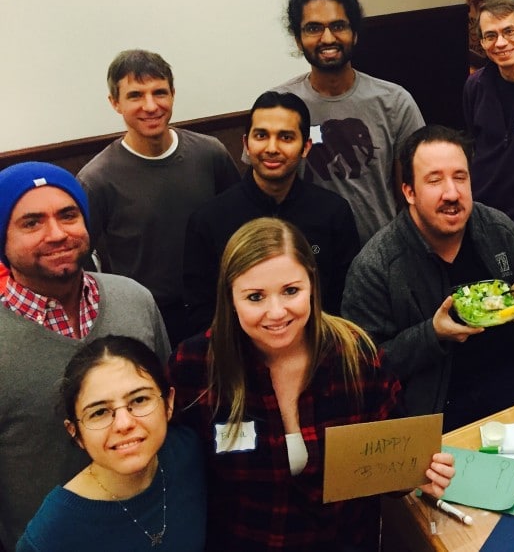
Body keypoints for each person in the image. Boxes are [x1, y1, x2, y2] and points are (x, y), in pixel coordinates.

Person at [169, 217, 454, 550]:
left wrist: (420, 473)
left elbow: (387, 467)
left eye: (291, 291)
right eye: (255, 297)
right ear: (230, 297)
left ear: (312, 286)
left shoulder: (357, 356)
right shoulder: (194, 367)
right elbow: (176, 481)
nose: (276, 312)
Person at [341, 125, 514, 432]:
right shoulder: (376, 266)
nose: (452, 193)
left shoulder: (497, 229)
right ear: (409, 192)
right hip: (433, 400)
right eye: (434, 180)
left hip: (513, 373)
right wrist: (433, 334)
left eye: (460, 177)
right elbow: (361, 365)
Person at [0, 162, 170, 551]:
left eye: (68, 215)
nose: (57, 234)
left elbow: (166, 413)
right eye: (32, 223)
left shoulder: (134, 300)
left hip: (154, 531)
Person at [78, 50, 240, 346]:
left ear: (173, 94)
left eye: (159, 92)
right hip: (147, 318)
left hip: (218, 307)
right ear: (115, 103)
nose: (151, 106)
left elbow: (239, 222)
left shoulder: (210, 153)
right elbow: (80, 256)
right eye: (136, 95)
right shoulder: (96, 179)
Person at [273, 0, 424, 244]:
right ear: (298, 40)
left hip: (382, 254)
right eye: (313, 28)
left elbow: (413, 194)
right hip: (306, 256)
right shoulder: (280, 107)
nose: (327, 38)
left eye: (338, 26)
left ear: (354, 33)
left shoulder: (395, 102)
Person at [183, 91, 359, 332]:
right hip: (236, 349)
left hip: (319, 344)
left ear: (306, 147)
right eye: (261, 136)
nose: (272, 148)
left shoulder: (333, 213)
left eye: (286, 137)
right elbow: (202, 313)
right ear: (246, 144)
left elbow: (345, 302)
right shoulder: (209, 220)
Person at [17, 336, 205, 551]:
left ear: (168, 403)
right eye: (99, 412)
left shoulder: (189, 452)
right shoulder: (51, 533)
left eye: (139, 400)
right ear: (75, 433)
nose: (124, 424)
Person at [463, 0, 514, 250]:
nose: (501, 43)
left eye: (509, 31)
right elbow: (473, 145)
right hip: (485, 218)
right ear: (483, 43)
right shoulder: (475, 86)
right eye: (491, 36)